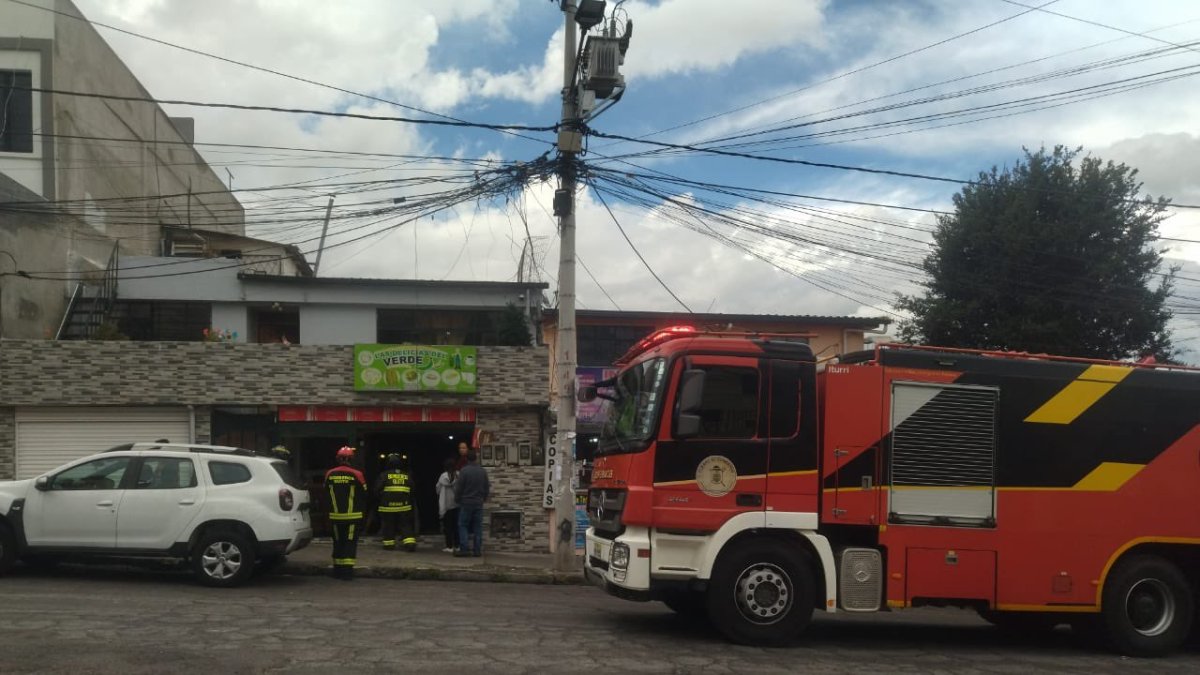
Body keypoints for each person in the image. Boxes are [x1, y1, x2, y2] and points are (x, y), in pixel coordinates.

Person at [324, 446, 367, 580]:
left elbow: (325, 493)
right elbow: (364, 494)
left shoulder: (329, 474)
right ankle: (347, 572)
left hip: (335, 516)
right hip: (353, 517)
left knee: (338, 541)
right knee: (349, 542)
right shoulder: (357, 474)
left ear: (338, 459)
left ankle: (337, 571)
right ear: (351, 459)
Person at [374, 453, 417, 552]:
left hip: (387, 506)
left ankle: (389, 544)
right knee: (405, 525)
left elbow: (376, 490)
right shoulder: (406, 476)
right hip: (404, 506)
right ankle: (409, 543)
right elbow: (413, 489)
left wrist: (381, 499)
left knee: (389, 525)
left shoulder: (383, 475)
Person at [454, 449, 489, 557]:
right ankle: (477, 550)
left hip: (466, 502)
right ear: (476, 458)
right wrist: (483, 498)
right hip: (478, 502)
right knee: (477, 527)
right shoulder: (482, 471)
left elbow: (459, 488)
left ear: (467, 459)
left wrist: (457, 499)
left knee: (463, 525)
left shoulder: (464, 471)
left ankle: (464, 549)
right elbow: (486, 488)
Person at [435, 458, 460, 553]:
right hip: (456, 504)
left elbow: (437, 489)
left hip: (446, 504)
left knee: (447, 527)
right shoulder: (458, 475)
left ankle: (449, 546)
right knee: (456, 526)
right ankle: (457, 545)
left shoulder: (443, 476)